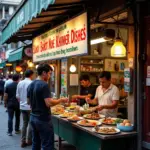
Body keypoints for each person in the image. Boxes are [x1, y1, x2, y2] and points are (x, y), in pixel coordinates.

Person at [27, 63, 68, 150]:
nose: (50, 76)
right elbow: (48, 103)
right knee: (47, 145)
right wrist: (60, 100)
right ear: (44, 73)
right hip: (43, 119)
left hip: (33, 117)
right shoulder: (44, 85)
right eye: (49, 73)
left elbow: (28, 102)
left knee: (36, 143)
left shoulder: (31, 84)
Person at [16, 70, 34, 148]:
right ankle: (29, 140)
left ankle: (23, 141)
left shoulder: (20, 83)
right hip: (30, 107)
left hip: (22, 106)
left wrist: (21, 102)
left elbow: (17, 96)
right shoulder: (31, 83)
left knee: (24, 123)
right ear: (31, 75)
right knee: (30, 123)